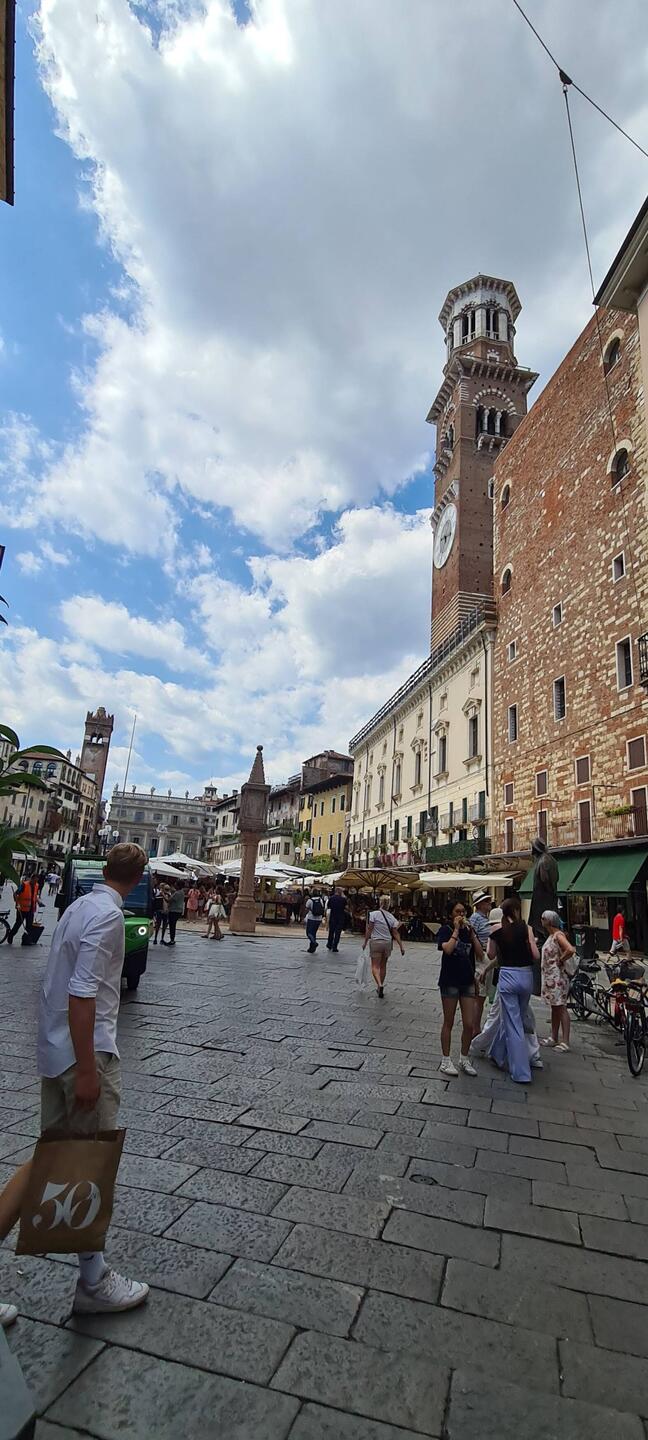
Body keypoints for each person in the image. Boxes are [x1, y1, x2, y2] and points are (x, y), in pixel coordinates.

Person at [37, 842, 149, 1314]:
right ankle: (93, 1282)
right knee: (89, 1164)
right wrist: (88, 1070)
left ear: (105, 869)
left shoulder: (79, 907)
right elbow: (82, 995)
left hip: (56, 1049)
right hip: (85, 1054)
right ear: (140, 878)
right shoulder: (108, 917)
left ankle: (92, 1274)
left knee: (54, 1161)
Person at [470, 907, 543, 1070]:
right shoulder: (518, 933)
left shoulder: (504, 934)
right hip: (523, 979)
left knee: (504, 1017)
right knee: (519, 1017)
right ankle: (528, 1054)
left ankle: (484, 1046)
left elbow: (493, 956)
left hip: (509, 980)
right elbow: (498, 958)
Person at [436, 901, 483, 1076]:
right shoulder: (445, 930)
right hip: (450, 981)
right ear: (451, 914)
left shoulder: (469, 931)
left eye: (463, 912)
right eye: (457, 911)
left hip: (467, 981)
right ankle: (445, 1060)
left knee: (469, 1024)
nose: (461, 915)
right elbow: (448, 949)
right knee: (448, 1021)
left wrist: (473, 935)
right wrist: (456, 930)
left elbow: (480, 955)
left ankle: (464, 1058)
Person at [540, 910, 574, 1051]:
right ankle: (554, 1037)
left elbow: (570, 949)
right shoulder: (551, 936)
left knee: (561, 1007)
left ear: (549, 921)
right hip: (551, 977)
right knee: (555, 1007)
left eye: (543, 918)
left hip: (558, 978)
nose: (541, 920)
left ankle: (565, 1041)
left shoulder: (558, 935)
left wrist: (561, 960)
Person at [363, 894, 404, 998]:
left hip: (376, 942)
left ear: (380, 903)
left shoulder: (373, 914)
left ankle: (379, 984)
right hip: (387, 943)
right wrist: (401, 946)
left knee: (375, 966)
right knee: (383, 966)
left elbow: (369, 929)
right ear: (389, 905)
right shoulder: (391, 917)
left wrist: (365, 942)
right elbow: (395, 932)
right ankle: (379, 985)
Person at [468, 890, 492, 1037]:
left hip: (485, 956)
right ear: (480, 904)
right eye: (487, 901)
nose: (490, 903)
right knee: (480, 995)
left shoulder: (484, 917)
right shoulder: (476, 918)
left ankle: (475, 1026)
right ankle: (474, 1027)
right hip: (481, 957)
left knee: (481, 996)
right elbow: (470, 935)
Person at [528, 837, 559, 944]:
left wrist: (548, 891)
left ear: (536, 849)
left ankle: (543, 940)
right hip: (547, 897)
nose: (531, 850)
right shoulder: (551, 859)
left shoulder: (543, 860)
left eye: (532, 847)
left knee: (539, 921)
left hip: (542, 898)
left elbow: (545, 879)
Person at [7, 872, 40, 945]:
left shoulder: (36, 885)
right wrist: (17, 903)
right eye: (34, 880)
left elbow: (34, 896)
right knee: (18, 924)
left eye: (36, 881)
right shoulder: (24, 885)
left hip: (31, 910)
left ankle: (25, 940)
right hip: (22, 909)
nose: (35, 882)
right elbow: (15, 894)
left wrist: (38, 901)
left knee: (29, 926)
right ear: (31, 878)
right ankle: (11, 935)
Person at [326, 887, 347, 953]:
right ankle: (335, 946)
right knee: (338, 933)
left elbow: (329, 906)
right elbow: (346, 907)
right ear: (340, 892)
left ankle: (329, 944)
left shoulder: (331, 898)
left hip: (333, 916)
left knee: (331, 932)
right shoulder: (343, 899)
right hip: (340, 917)